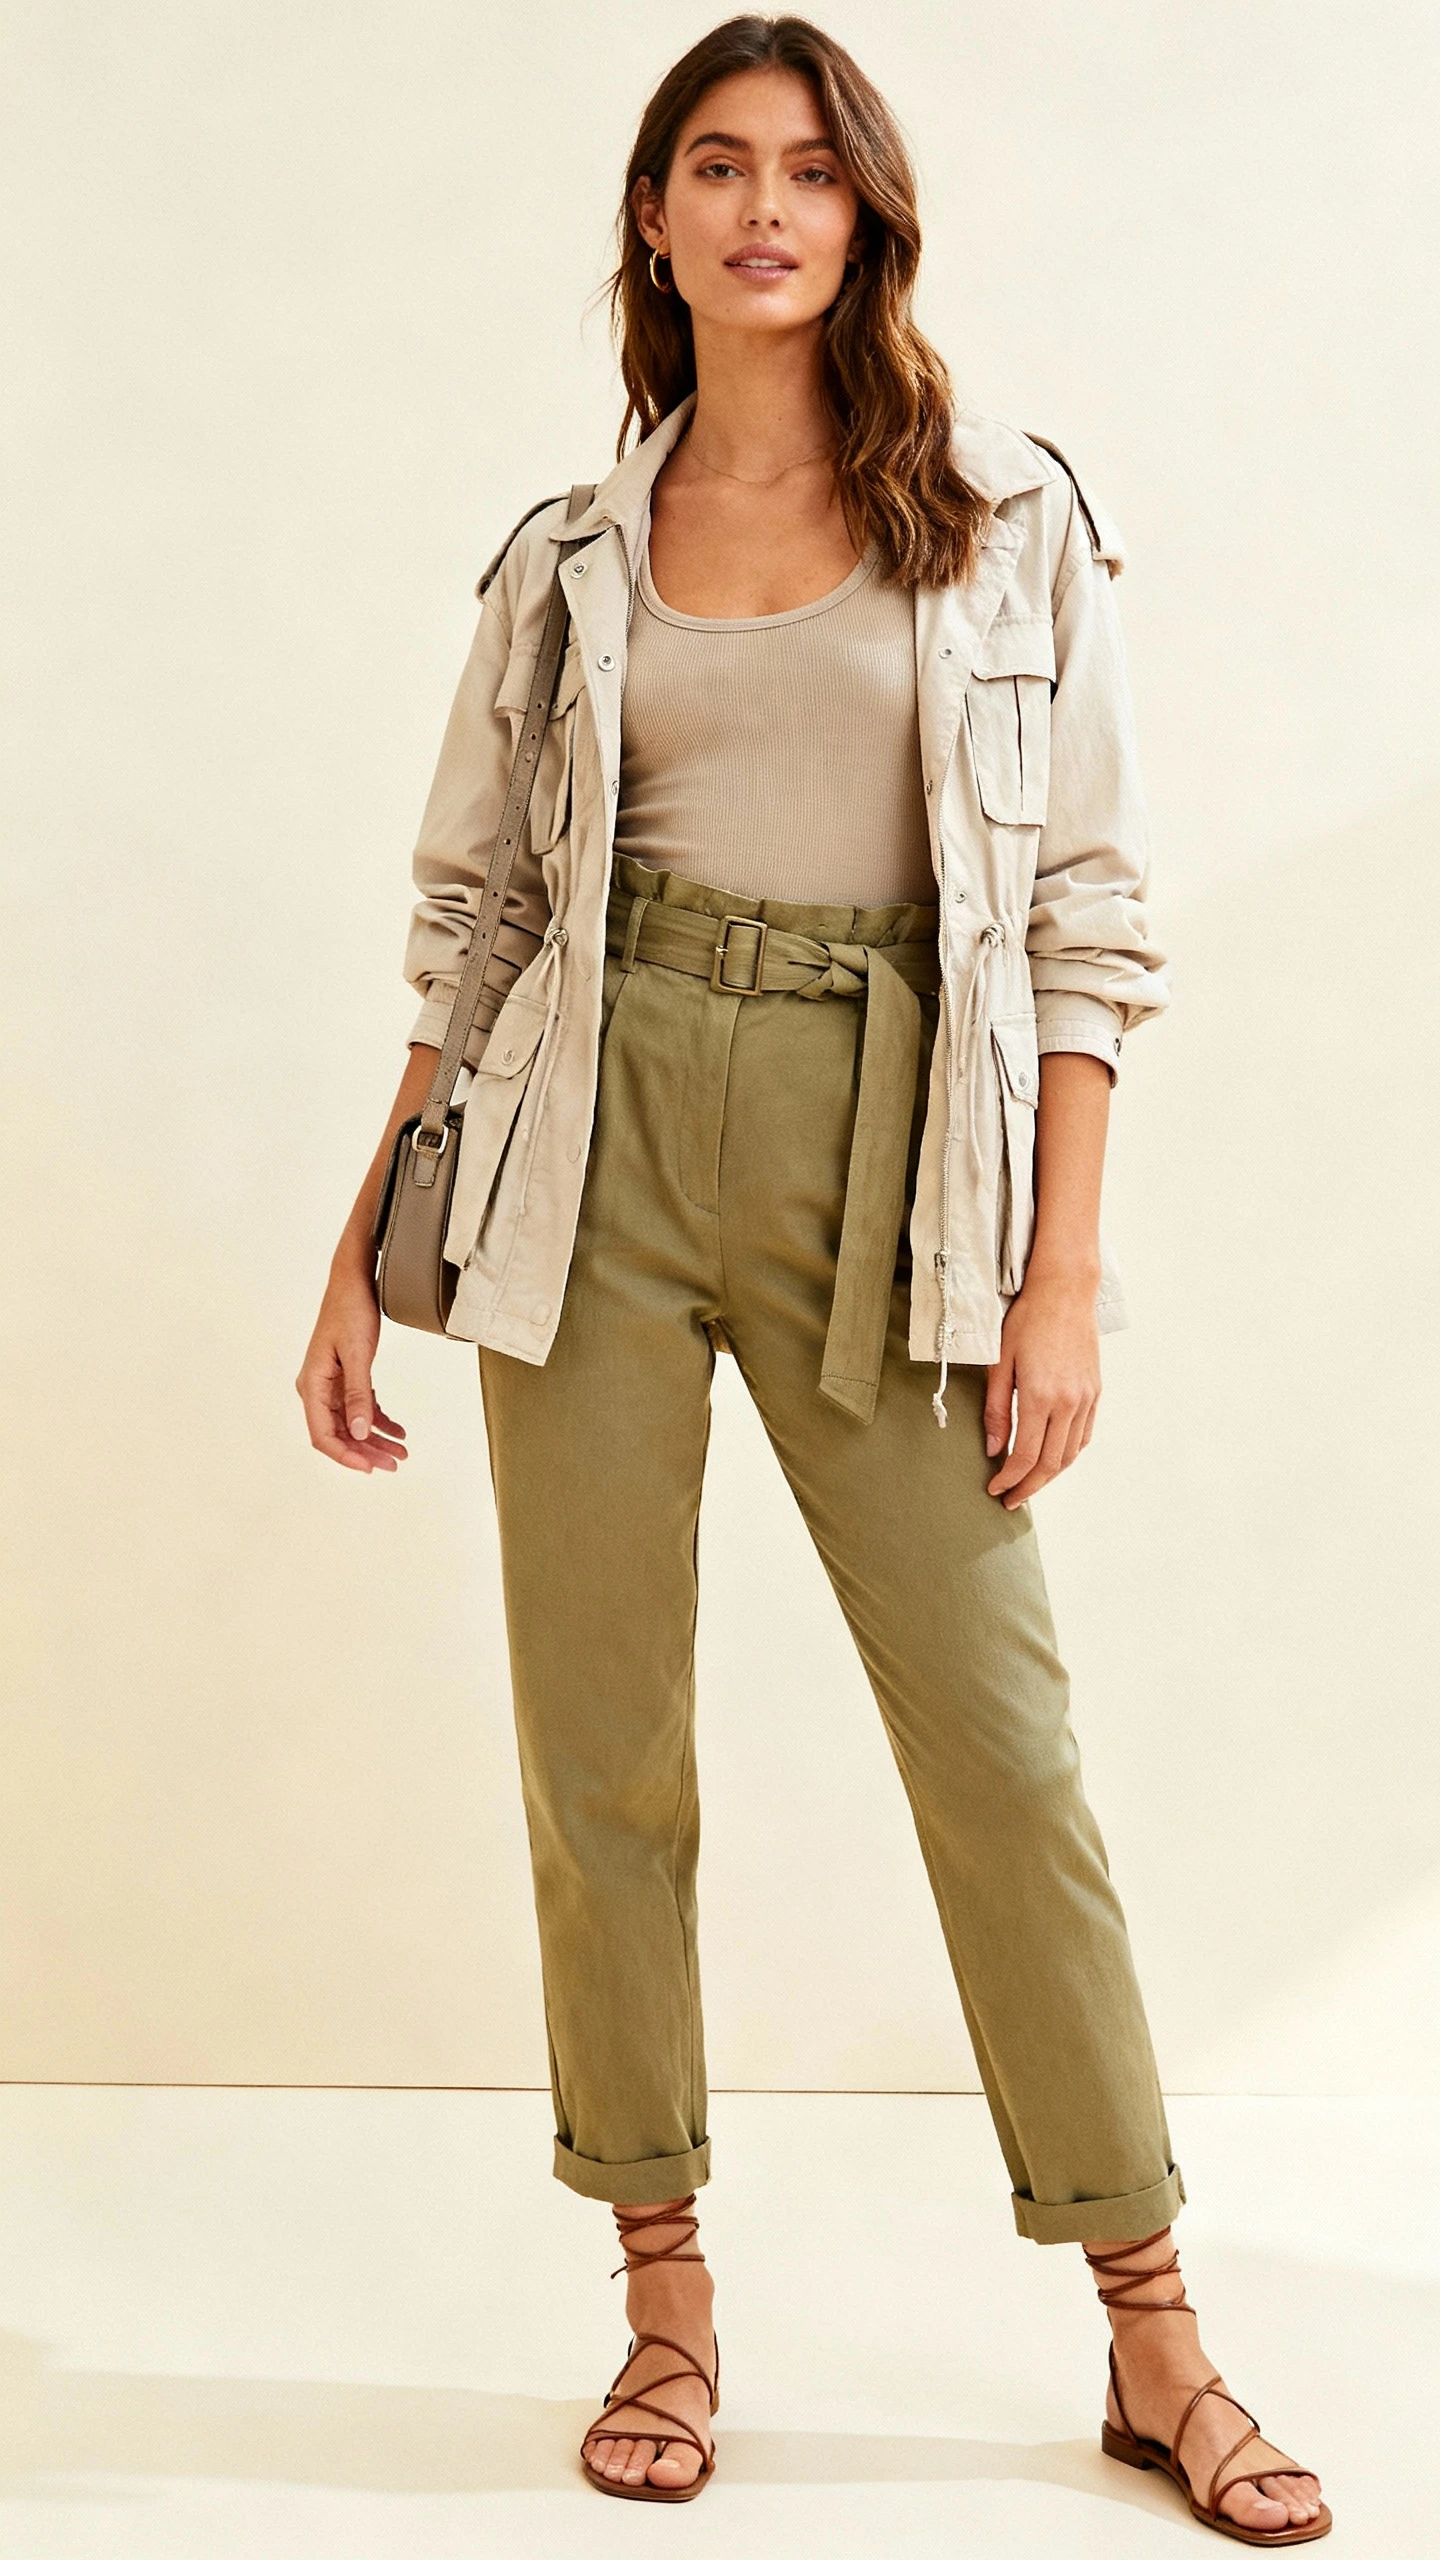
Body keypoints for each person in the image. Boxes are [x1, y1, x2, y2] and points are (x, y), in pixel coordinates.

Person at [296, 13, 1329, 2539]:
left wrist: (1062, 1268)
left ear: (868, 220)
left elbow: (1085, 916)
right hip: (590, 1140)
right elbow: (486, 921)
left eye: (811, 171)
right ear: (652, 220)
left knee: (1007, 1753)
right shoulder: (565, 558)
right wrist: (365, 1243)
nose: (765, 206)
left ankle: (1155, 2330)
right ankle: (664, 2292)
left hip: (897, 1162)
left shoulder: (999, 522)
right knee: (603, 1751)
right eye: (714, 166)